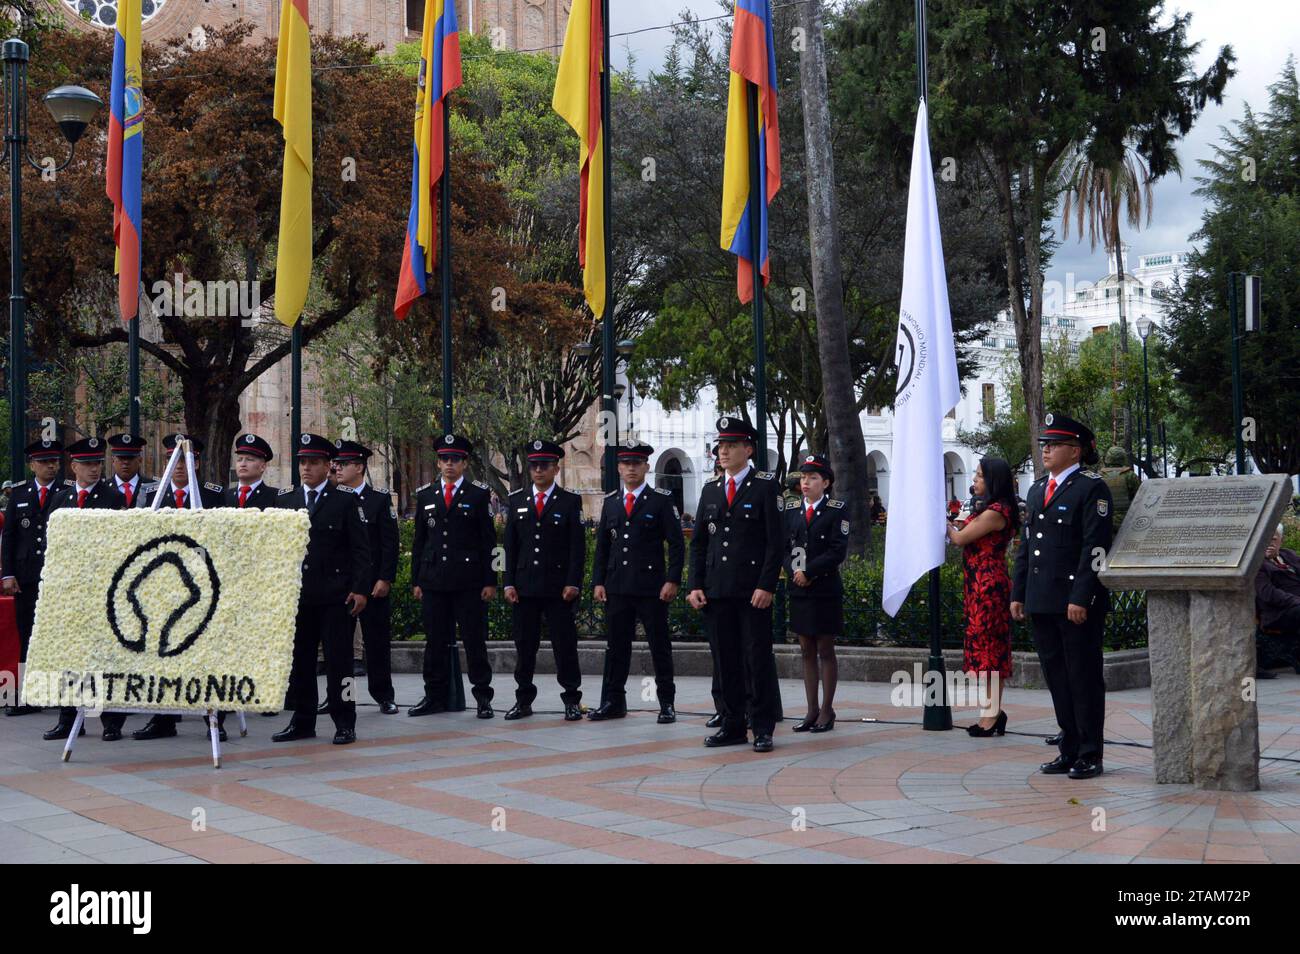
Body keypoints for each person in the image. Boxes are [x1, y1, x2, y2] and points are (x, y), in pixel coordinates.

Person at [1011, 412, 1113, 780]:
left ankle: (1090, 752)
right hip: (1042, 598)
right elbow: (1027, 545)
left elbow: (1095, 547)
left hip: (1074, 601)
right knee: (1056, 675)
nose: (1047, 450)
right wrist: (1019, 591)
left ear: (1076, 450)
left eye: (1054, 445)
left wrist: (1081, 596)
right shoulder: (1039, 489)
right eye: (1045, 445)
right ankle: (1068, 746)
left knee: (1082, 676)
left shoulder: (1091, 487)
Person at [686, 416, 783, 753]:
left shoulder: (765, 485)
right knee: (724, 658)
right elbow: (699, 543)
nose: (722, 452)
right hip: (716, 589)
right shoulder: (710, 489)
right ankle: (732, 723)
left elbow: (776, 542)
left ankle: (762, 726)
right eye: (720, 446)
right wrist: (694, 584)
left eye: (729, 445)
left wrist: (767, 585)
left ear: (748, 448)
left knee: (756, 657)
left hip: (751, 590)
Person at [270, 434, 371, 745]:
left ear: (329, 465)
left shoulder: (345, 500)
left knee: (341, 663)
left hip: (335, 596)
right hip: (300, 598)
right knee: (301, 662)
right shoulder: (286, 500)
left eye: (313, 462)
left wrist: (360, 589)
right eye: (302, 462)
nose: (306, 468)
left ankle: (345, 721)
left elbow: (361, 551)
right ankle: (303, 720)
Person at [131, 434, 224, 741]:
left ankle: (215, 719)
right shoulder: (152, 495)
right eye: (176, 459)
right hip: (162, 584)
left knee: (207, 652)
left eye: (187, 460)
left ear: (197, 462)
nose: (181, 467)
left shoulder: (213, 495)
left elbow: (221, 542)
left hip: (202, 584)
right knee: (161, 650)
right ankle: (163, 718)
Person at [589, 441, 684, 723]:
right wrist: (599, 581)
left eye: (637, 463)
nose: (631, 468)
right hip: (618, 586)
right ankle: (613, 701)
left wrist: (673, 580)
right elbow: (603, 547)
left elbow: (677, 545)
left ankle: (666, 703)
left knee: (659, 646)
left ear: (646, 467)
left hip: (651, 587)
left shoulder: (660, 501)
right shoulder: (612, 502)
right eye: (626, 463)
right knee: (616, 647)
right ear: (618, 467)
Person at [46, 437, 129, 741]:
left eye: (98, 463)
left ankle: (111, 721)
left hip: (101, 588)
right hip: (70, 590)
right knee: (71, 655)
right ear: (74, 467)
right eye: (88, 464)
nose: (95, 469)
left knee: (106, 656)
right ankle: (68, 719)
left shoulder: (113, 498)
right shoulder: (61, 499)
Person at [409, 434, 497, 718]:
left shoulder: (478, 494)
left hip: (468, 581)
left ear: (465, 463)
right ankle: (433, 695)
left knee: (474, 641)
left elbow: (488, 542)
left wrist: (489, 581)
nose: (450, 464)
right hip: (434, 580)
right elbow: (419, 542)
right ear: (438, 463)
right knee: (434, 642)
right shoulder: (425, 495)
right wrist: (417, 580)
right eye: (445, 459)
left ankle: (483, 697)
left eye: (455, 459)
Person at [503, 439, 585, 721]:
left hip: (558, 587)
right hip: (525, 588)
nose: (539, 470)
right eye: (534, 465)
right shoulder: (516, 500)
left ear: (556, 468)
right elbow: (509, 547)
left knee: (565, 647)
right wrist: (508, 582)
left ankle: (571, 700)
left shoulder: (570, 501)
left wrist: (573, 582)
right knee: (525, 647)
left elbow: (577, 547)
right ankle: (523, 700)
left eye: (545, 465)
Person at [947, 456, 1018, 736]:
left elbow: (960, 539)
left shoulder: (996, 511)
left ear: (993, 480)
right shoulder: (989, 508)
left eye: (979, 476)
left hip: (988, 586)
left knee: (990, 653)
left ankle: (990, 715)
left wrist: (942, 524)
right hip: (977, 583)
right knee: (987, 650)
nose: (974, 480)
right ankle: (991, 712)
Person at [330, 439, 399, 714]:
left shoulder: (379, 500)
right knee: (341, 648)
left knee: (377, 643)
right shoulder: (333, 499)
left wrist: (385, 578)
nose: (337, 468)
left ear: (359, 467)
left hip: (372, 585)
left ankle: (384, 695)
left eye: (343, 464)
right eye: (335, 463)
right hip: (342, 586)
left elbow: (389, 544)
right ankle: (341, 696)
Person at [784, 454, 847, 734]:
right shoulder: (792, 510)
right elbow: (786, 547)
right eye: (803, 477)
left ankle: (826, 710)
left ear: (826, 482)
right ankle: (810, 710)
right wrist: (796, 571)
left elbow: (836, 551)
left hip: (823, 589)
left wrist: (809, 571)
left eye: (812, 478)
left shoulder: (836, 510)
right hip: (800, 589)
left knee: (824, 649)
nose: (806, 482)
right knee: (806, 649)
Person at [2, 439, 61, 723]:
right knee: (28, 635)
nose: (51, 466)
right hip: (26, 577)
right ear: (32, 465)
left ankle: (58, 693)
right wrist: (8, 573)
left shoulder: (66, 492)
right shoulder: (20, 494)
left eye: (55, 462)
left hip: (56, 577)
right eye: (45, 462)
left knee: (57, 635)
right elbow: (10, 536)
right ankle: (30, 694)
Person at [135, 433, 223, 511]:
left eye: (185, 460)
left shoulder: (212, 495)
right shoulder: (152, 494)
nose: (179, 466)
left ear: (196, 464)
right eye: (174, 461)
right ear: (166, 465)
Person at [1255, 524, 1300, 675]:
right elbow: (1268, 593)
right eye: (1265, 539)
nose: (1270, 543)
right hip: (1278, 613)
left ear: (1281, 540)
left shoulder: (1289, 555)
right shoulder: (1257, 564)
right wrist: (1296, 601)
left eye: (1274, 539)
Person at [224, 433, 278, 509]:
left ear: (262, 467)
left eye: (249, 460)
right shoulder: (224, 496)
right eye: (239, 460)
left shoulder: (275, 496)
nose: (242, 464)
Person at [1098, 445, 1140, 530]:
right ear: (1123, 458)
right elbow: (1139, 497)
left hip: (1103, 518)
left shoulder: (1098, 476)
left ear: (1108, 458)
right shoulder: (1130, 475)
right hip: (1126, 520)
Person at [106, 433, 150, 507]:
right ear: (113, 460)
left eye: (130, 458)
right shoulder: (103, 489)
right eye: (121, 458)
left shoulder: (151, 488)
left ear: (140, 460)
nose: (126, 462)